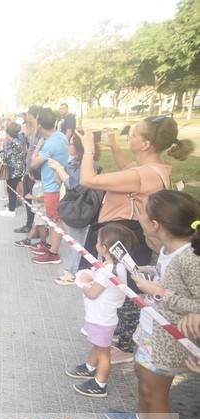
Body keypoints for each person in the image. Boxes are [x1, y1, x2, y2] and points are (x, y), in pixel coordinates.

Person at [79, 115, 194, 364]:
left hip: (125, 234)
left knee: (120, 288)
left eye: (133, 135)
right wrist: (114, 146)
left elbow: (88, 180)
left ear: (145, 145)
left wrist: (88, 150)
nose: (128, 137)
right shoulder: (152, 168)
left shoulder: (142, 175)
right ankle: (119, 339)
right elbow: (130, 169)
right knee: (124, 286)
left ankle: (119, 345)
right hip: (131, 233)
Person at [106, 190, 200, 419]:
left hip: (168, 340)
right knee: (142, 377)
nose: (140, 217)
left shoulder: (190, 258)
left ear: (156, 225)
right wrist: (152, 273)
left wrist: (156, 291)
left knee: (157, 395)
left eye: (143, 214)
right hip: (151, 330)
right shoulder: (169, 250)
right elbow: (170, 282)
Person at [66, 224, 134, 397]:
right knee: (98, 345)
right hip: (103, 316)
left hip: (102, 318)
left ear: (104, 247)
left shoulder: (108, 271)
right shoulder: (117, 267)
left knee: (104, 352)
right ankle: (89, 367)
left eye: (97, 242)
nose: (96, 244)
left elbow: (92, 293)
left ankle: (100, 383)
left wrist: (81, 283)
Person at [29, 108, 70, 264]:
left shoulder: (50, 144)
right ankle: (50, 246)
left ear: (39, 124)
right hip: (55, 184)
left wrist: (38, 146)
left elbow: (33, 163)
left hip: (53, 187)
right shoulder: (60, 136)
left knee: (55, 221)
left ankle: (53, 254)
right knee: (53, 220)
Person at [48, 133, 90, 285]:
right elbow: (60, 181)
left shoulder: (86, 165)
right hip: (68, 205)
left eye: (71, 143)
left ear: (79, 146)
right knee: (73, 241)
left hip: (79, 208)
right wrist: (55, 169)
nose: (68, 147)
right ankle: (74, 269)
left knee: (77, 242)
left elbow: (74, 185)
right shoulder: (72, 162)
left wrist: (59, 168)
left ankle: (74, 273)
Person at [15, 106, 43, 234]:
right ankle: (30, 224)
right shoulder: (34, 131)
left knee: (33, 201)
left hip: (34, 173)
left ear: (34, 116)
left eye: (28, 115)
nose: (27, 118)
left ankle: (35, 228)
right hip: (28, 171)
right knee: (28, 200)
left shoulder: (41, 132)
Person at [13, 166, 46, 248]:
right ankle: (33, 241)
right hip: (38, 210)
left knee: (39, 227)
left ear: (33, 175)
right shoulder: (38, 184)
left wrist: (31, 197)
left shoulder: (39, 186)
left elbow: (43, 198)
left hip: (41, 210)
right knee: (37, 226)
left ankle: (40, 242)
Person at [0, 122, 26, 217]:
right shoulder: (17, 141)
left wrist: (1, 148)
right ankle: (11, 207)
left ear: (8, 132)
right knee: (12, 188)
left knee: (11, 189)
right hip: (18, 169)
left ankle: (11, 210)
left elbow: (5, 157)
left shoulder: (12, 143)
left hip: (13, 170)